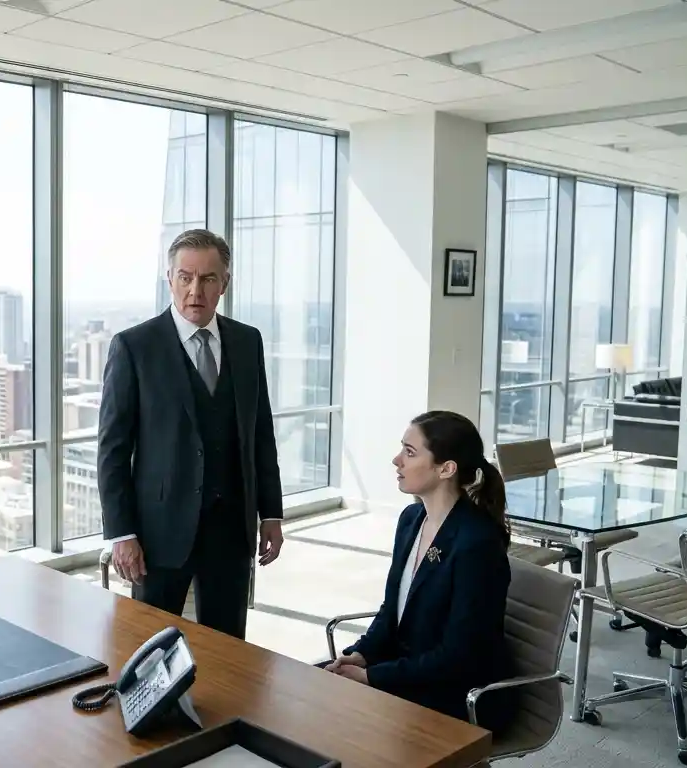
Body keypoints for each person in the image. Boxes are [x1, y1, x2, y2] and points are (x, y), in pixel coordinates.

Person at [98, 228, 283, 641]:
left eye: (208, 278)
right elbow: (113, 450)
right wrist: (122, 533)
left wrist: (270, 513)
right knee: (150, 647)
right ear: (170, 279)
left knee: (229, 647)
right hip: (159, 532)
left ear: (224, 283)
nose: (195, 290)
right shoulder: (134, 346)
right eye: (185, 277)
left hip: (231, 529)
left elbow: (261, 433)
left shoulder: (247, 341)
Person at [324, 410, 516, 732]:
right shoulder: (411, 520)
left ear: (446, 469)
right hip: (413, 671)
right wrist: (363, 654)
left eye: (410, 452)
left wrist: (372, 676)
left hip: (457, 693)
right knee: (316, 689)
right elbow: (392, 609)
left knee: (335, 717)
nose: (396, 460)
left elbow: (458, 657)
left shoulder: (477, 543)